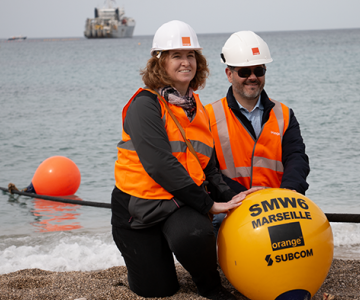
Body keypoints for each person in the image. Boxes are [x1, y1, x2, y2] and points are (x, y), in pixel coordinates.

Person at [111, 20, 258, 299]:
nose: (185, 62)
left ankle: (210, 286)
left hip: (178, 204)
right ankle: (148, 259)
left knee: (195, 234)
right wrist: (208, 204)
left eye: (190, 55)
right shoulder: (145, 105)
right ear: (160, 62)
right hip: (138, 210)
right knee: (158, 290)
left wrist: (235, 198)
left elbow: (209, 167)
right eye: (176, 55)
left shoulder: (197, 107)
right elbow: (160, 165)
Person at [205, 31, 310, 235]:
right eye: (244, 72)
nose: (252, 77)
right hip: (231, 207)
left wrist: (287, 194)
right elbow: (208, 171)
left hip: (278, 206)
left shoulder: (285, 114)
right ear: (229, 74)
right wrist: (244, 198)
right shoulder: (208, 116)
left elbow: (297, 159)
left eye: (258, 70)